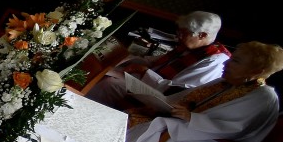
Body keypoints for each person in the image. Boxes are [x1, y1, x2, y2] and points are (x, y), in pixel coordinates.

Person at [123, 41, 283, 142]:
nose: (226, 63)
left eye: (235, 61)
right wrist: (171, 107)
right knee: (140, 116)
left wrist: (191, 117)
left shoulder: (262, 97)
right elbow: (191, 100)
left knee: (154, 128)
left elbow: (235, 129)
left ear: (256, 71)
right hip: (199, 132)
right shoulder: (228, 82)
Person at [88, 11, 231, 108]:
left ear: (202, 35)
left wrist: (144, 72)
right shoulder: (191, 46)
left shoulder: (214, 61)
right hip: (148, 82)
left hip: (161, 97)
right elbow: (154, 61)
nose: (178, 36)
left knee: (111, 84)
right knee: (105, 70)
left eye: (184, 33)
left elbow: (176, 91)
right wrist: (123, 58)